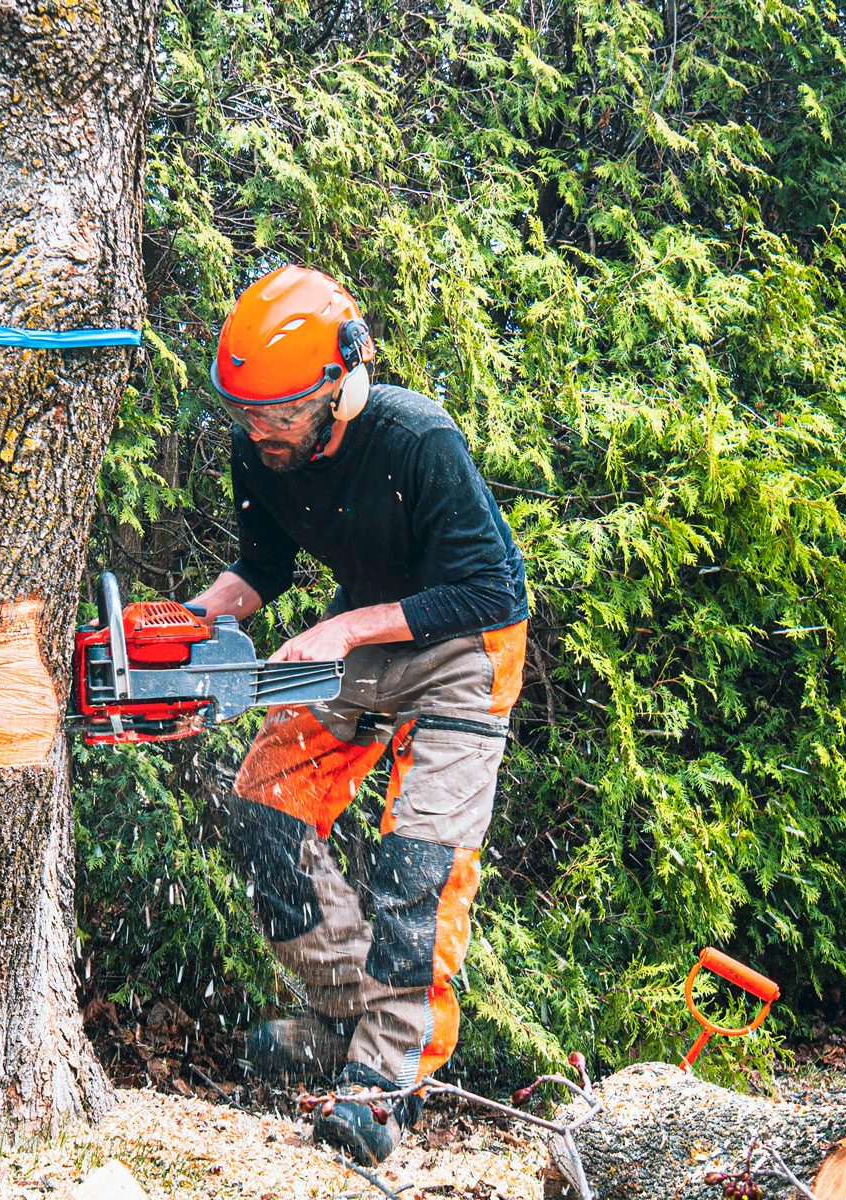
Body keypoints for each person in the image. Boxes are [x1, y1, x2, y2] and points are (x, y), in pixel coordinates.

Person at [186, 264, 529, 1164]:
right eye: (248, 414)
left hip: (466, 647)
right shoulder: (260, 451)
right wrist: (183, 636)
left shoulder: (418, 439)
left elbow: (485, 587)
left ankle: (384, 1086)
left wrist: (345, 627)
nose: (261, 431)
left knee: (417, 867)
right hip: (366, 638)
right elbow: (261, 569)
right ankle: (348, 1021)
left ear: (342, 384)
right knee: (265, 814)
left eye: (280, 414)